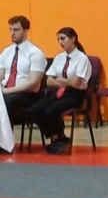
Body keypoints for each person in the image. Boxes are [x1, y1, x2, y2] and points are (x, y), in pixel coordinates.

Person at [29, 26, 90, 155]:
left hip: (74, 94)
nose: (60, 42)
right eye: (58, 40)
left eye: (63, 39)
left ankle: (59, 138)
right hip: (58, 91)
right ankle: (57, 137)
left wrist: (59, 80)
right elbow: (49, 81)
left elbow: (76, 83)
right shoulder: (59, 57)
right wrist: (64, 81)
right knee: (35, 109)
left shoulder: (82, 58)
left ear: (73, 39)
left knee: (51, 110)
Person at [2, 15, 47, 127]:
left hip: (27, 94)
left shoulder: (35, 53)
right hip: (6, 90)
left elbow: (33, 83)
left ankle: (5, 138)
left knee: (6, 102)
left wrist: (8, 91)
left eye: (16, 30)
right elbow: (1, 75)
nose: (12, 33)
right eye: (10, 29)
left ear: (26, 31)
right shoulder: (6, 52)